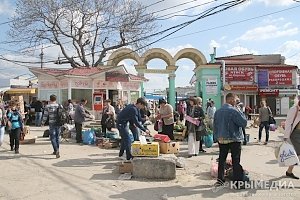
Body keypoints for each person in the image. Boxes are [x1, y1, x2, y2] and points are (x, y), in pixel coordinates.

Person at [213, 93, 247, 188]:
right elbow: (243, 123)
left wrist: (216, 137)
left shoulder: (218, 111)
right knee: (235, 160)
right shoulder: (234, 111)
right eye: (236, 100)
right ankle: (238, 183)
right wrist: (240, 109)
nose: (236, 101)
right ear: (231, 100)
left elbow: (215, 125)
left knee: (222, 160)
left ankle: (220, 181)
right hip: (234, 138)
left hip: (221, 138)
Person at [283, 98, 300, 179]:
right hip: (295, 134)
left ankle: (289, 172)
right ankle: (289, 172)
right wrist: (286, 136)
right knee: (297, 154)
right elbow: (288, 123)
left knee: (296, 154)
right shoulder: (294, 109)